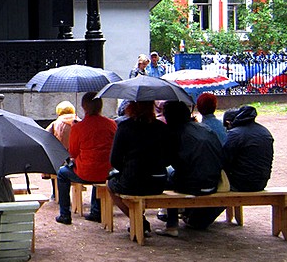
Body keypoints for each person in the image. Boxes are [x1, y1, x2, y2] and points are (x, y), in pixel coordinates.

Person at [155, 100, 224, 237]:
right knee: (181, 173)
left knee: (165, 175)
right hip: (213, 182)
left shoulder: (176, 133)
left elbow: (166, 160)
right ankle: (187, 215)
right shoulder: (205, 128)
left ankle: (171, 224)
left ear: (170, 117)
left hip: (191, 184)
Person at [107, 101, 174, 237]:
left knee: (110, 185)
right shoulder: (161, 127)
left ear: (131, 108)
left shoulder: (124, 127)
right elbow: (169, 158)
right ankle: (140, 219)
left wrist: (126, 168)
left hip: (133, 179)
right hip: (158, 181)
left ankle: (138, 220)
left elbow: (114, 159)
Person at [55, 93, 117, 225]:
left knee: (61, 173)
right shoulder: (111, 124)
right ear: (101, 106)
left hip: (85, 172)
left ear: (84, 107)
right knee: (100, 172)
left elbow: (73, 152)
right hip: (107, 171)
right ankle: (96, 210)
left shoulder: (78, 127)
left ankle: (65, 214)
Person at [223, 105, 274, 192]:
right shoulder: (264, 131)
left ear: (228, 123)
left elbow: (224, 160)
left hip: (240, 184)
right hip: (261, 183)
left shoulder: (234, 134)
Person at [44, 101, 80, 199]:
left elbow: (46, 137)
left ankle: (55, 193)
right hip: (77, 158)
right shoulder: (79, 121)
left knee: (51, 162)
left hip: (61, 157)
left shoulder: (55, 123)